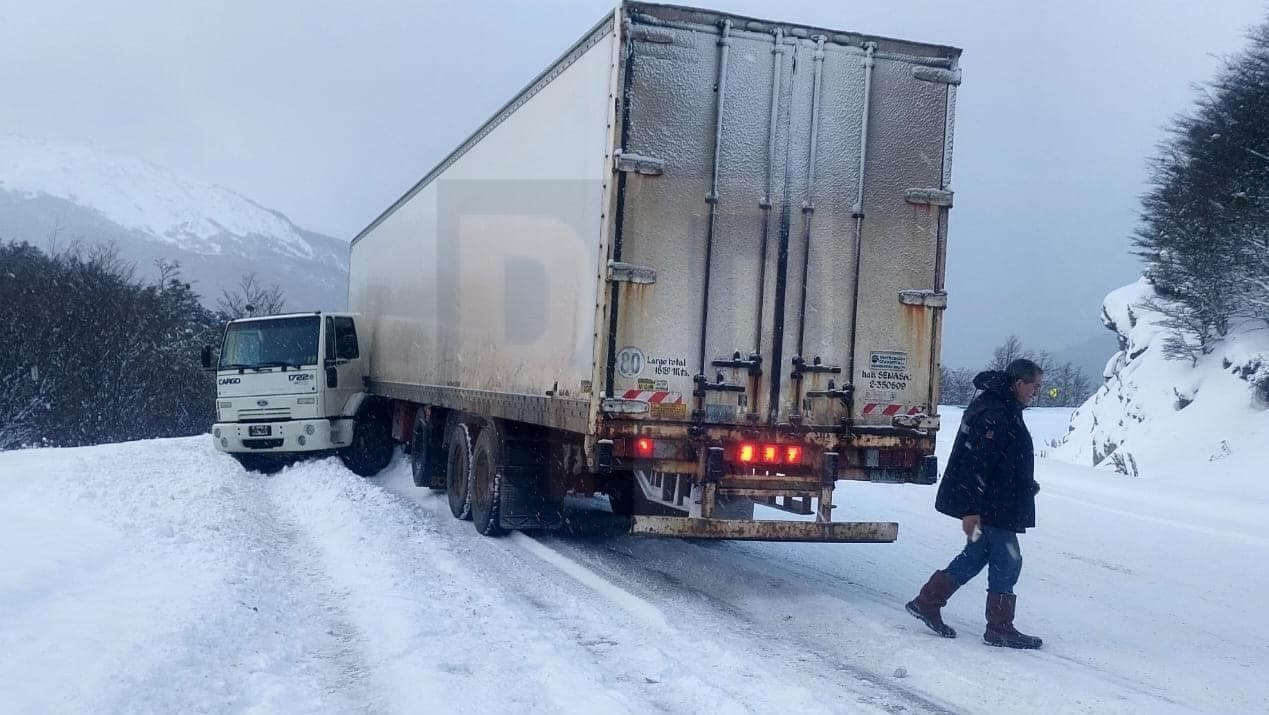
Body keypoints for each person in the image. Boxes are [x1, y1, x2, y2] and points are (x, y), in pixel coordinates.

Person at [905, 359, 1045, 649]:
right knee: (1008, 560)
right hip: (992, 506)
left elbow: (1004, 459)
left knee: (976, 555)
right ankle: (999, 628)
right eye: (1034, 386)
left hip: (997, 501)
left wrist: (1023, 484)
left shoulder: (1003, 406)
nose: (1036, 392)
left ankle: (926, 602)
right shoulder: (996, 411)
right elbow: (976, 463)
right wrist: (970, 510)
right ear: (1019, 383)